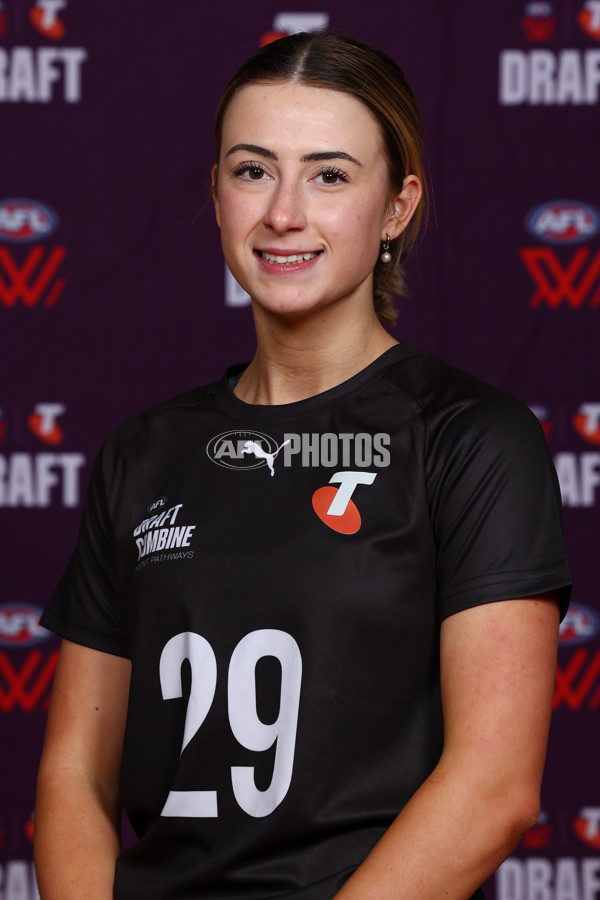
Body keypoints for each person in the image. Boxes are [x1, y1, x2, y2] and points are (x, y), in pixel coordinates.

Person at [34, 32, 571, 900]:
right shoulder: (144, 452)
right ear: (216, 193)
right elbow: (75, 778)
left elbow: (494, 789)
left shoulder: (470, 439)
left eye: (329, 176)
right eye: (253, 171)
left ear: (397, 207)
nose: (284, 213)